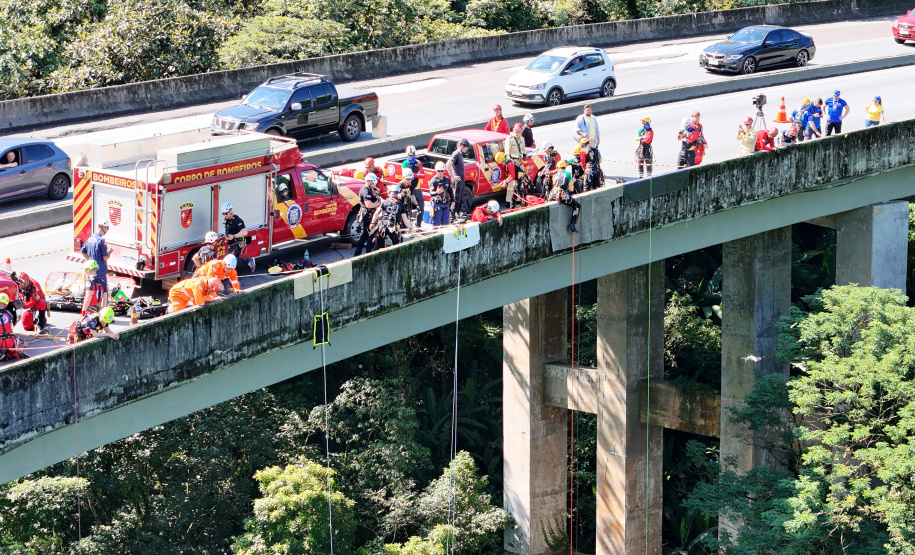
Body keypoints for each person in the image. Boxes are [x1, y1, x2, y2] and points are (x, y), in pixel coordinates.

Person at [222, 202, 255, 272]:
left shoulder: (237, 220)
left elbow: (245, 232)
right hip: (231, 244)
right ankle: (231, 273)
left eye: (226, 213)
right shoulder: (228, 221)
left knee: (228, 258)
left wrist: (233, 236)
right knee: (231, 259)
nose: (225, 215)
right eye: (223, 214)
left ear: (231, 211)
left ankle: (248, 260)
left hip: (237, 243)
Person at [354, 173, 382, 256]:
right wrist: (378, 204)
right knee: (371, 234)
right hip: (367, 216)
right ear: (371, 182)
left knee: (365, 235)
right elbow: (368, 205)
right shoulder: (366, 191)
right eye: (373, 184)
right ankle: (368, 253)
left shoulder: (365, 189)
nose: (374, 186)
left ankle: (357, 253)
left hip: (366, 214)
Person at [548, 161, 581, 233]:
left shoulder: (555, 175)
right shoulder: (568, 174)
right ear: (565, 167)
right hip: (561, 195)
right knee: (577, 206)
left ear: (558, 167)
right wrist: (569, 195)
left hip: (552, 194)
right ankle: (572, 224)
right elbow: (570, 188)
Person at [81, 220, 112, 290]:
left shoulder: (90, 239)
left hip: (90, 270)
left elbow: (83, 251)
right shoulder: (100, 241)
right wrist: (109, 252)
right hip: (100, 271)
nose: (107, 230)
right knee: (102, 291)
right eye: (107, 228)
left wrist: (89, 261)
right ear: (103, 228)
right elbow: (105, 258)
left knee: (90, 290)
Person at [446, 138, 471, 217]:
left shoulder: (460, 154)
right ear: (460, 145)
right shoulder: (456, 154)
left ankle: (457, 214)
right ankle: (452, 215)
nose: (467, 149)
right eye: (465, 146)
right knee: (456, 198)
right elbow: (448, 164)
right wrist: (453, 176)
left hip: (461, 179)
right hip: (458, 180)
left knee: (460, 197)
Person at [0, 293, 27, 360]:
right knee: (11, 343)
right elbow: (11, 326)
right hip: (10, 341)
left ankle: (2, 354)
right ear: (6, 304)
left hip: (0, 342)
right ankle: (13, 353)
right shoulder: (9, 314)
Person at [505, 124, 526, 208]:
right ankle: (508, 200)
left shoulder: (522, 139)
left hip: (520, 163)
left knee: (521, 182)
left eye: (519, 132)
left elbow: (523, 150)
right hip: (513, 162)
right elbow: (507, 153)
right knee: (511, 182)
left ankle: (519, 200)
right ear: (513, 131)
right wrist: (510, 163)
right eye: (516, 132)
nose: (517, 134)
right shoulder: (510, 139)